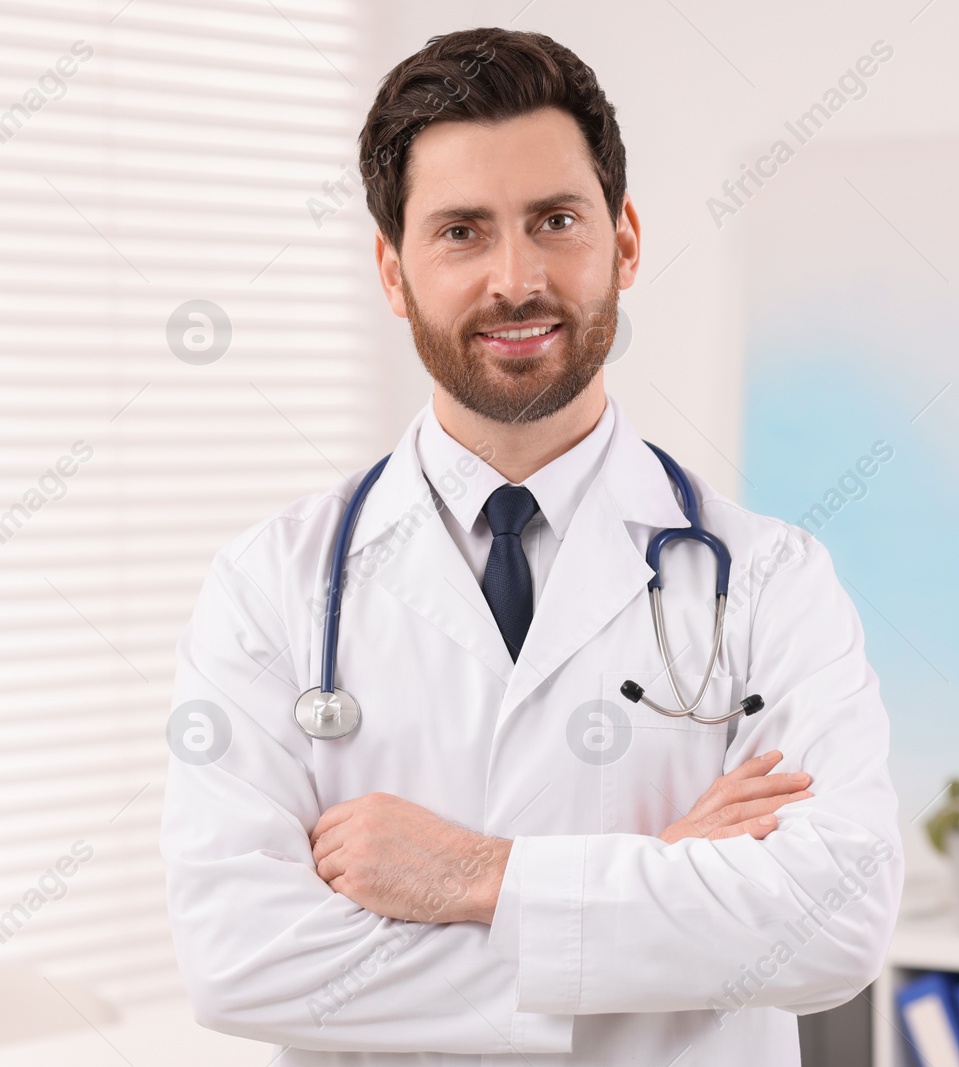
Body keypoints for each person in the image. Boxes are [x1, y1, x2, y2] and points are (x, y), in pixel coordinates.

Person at [159, 27, 902, 1066]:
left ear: (625, 240)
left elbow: (834, 919)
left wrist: (477, 875)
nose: (516, 279)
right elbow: (242, 958)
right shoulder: (270, 586)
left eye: (554, 220)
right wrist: (657, 892)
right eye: (461, 231)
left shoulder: (774, 577)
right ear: (392, 269)